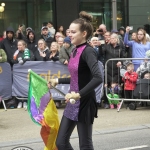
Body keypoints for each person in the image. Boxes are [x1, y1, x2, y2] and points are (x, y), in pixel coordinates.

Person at [48, 11, 102, 150]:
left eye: (73, 32)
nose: (69, 34)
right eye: (68, 31)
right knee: (61, 142)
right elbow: (76, 77)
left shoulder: (88, 51)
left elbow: (98, 77)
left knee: (85, 145)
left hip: (84, 101)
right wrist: (58, 80)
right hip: (73, 101)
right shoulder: (73, 50)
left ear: (84, 34)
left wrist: (79, 94)